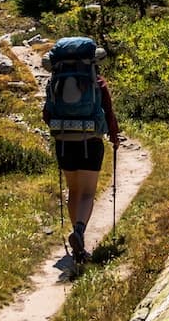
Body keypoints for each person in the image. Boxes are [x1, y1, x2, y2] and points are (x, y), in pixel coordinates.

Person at [43, 61, 120, 262]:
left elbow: (47, 115)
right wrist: (114, 137)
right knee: (87, 192)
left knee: (74, 190)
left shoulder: (55, 83)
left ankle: (77, 240)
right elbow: (109, 112)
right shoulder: (98, 83)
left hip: (64, 143)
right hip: (91, 142)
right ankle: (79, 231)